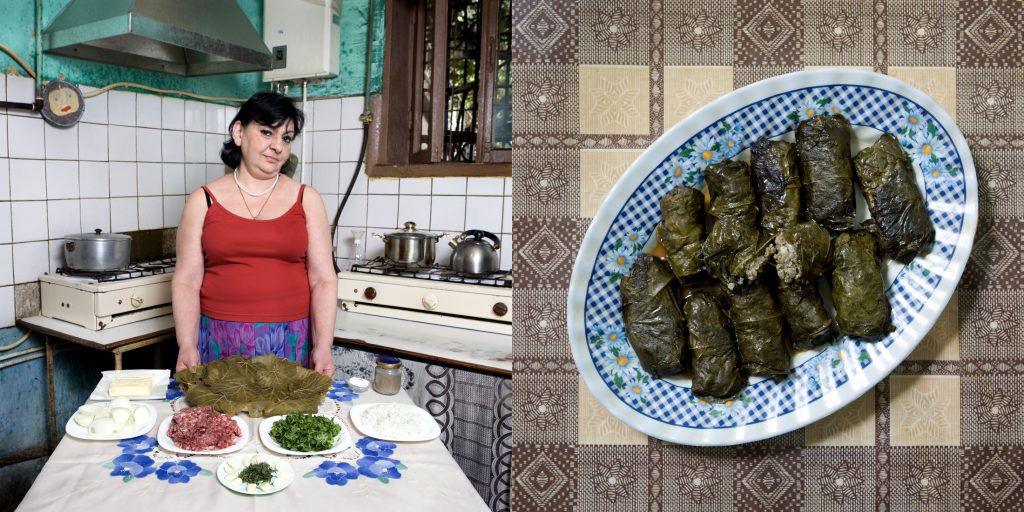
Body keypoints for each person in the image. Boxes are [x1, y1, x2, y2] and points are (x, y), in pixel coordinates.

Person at [173, 92, 336, 377]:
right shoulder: (203, 200)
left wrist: (323, 346)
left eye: (286, 138)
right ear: (239, 132)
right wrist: (186, 344)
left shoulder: (306, 199)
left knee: (284, 420)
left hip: (290, 338)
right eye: (266, 132)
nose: (277, 146)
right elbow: (187, 279)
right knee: (223, 420)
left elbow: (323, 278)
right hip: (219, 337)